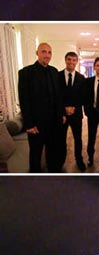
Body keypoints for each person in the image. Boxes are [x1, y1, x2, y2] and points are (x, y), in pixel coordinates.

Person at [17, 42, 65, 173]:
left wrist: (61, 114)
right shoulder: (25, 73)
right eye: (44, 51)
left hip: (54, 122)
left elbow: (58, 96)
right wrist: (29, 124)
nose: (47, 55)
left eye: (49, 52)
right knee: (35, 154)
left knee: (52, 152)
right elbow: (24, 100)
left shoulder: (54, 71)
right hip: (36, 125)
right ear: (37, 53)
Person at [60, 51, 88, 171]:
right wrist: (64, 109)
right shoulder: (57, 76)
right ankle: (61, 160)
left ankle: (79, 159)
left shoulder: (81, 78)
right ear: (65, 60)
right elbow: (56, 96)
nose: (71, 62)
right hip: (61, 115)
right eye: (69, 59)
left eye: (74, 60)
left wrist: (73, 108)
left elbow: (83, 97)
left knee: (78, 139)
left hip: (76, 114)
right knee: (61, 139)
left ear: (76, 62)